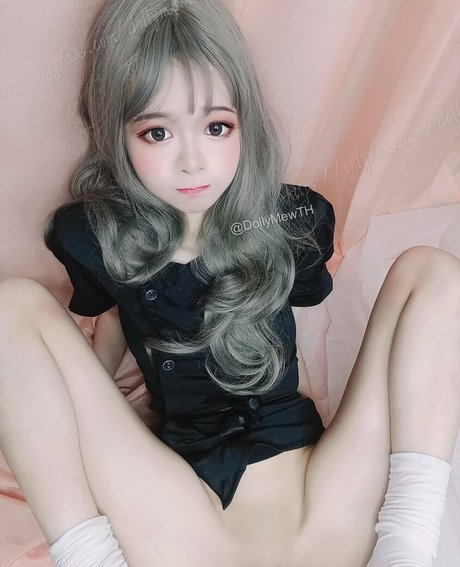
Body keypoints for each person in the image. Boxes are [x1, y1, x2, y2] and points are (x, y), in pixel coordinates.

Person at [0, 0, 459, 565]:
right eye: (157, 132)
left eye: (216, 127)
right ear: (117, 133)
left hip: (318, 494)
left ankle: (409, 547)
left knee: (432, 270)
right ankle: (87, 556)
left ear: (245, 120)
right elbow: (116, 315)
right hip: (186, 512)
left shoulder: (291, 219)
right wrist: (96, 414)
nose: (194, 162)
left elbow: (301, 309)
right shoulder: (94, 235)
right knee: (9, 306)